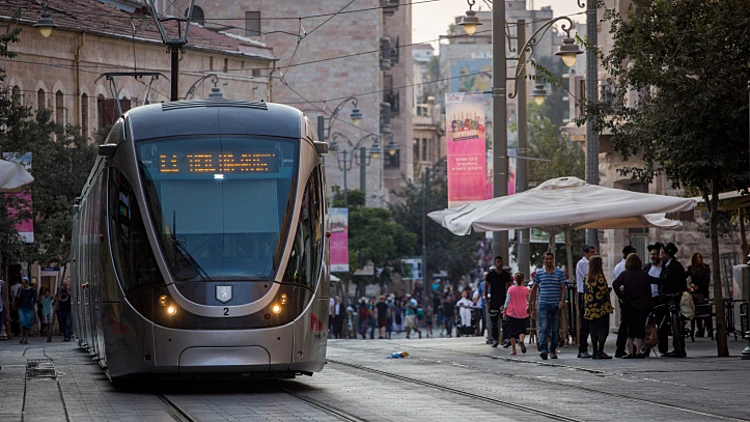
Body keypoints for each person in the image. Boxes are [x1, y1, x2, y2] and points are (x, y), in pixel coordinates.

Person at [528, 252, 567, 360]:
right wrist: (531, 305)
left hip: (556, 304)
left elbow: (563, 288)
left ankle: (553, 350)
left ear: (553, 260)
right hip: (543, 304)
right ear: (544, 260)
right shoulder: (539, 273)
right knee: (543, 327)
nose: (549, 261)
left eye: (550, 259)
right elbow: (534, 288)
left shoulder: (559, 273)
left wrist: (562, 301)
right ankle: (544, 349)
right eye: (547, 259)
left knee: (555, 329)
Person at [613, 253, 653, 359]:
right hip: (642, 305)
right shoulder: (644, 275)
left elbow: (615, 284)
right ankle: (638, 351)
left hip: (628, 305)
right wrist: (650, 307)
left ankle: (631, 351)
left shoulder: (625, 274)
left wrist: (621, 296)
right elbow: (648, 292)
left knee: (630, 329)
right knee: (640, 328)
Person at [657, 242, 687, 357]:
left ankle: (679, 348)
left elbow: (667, 280)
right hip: (670, 297)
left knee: (675, 325)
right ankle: (677, 348)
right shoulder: (668, 265)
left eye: (662, 254)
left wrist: (651, 280)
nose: (660, 256)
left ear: (667, 254)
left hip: (674, 298)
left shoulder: (673, 265)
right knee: (673, 325)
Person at [584, 256, 614, 359]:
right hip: (601, 308)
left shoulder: (587, 277)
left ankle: (594, 352)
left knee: (593, 331)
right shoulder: (600, 277)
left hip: (590, 308)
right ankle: (600, 351)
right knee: (602, 330)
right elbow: (604, 291)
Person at [640, 242, 665, 356]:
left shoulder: (664, 268)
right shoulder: (647, 267)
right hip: (648, 298)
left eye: (655, 254)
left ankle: (663, 348)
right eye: (651, 254)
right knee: (646, 324)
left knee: (661, 323)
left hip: (659, 298)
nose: (653, 256)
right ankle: (646, 347)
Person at [613, 245, 637, 357]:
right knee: (627, 323)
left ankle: (624, 346)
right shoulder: (626, 268)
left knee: (624, 323)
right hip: (628, 297)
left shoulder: (617, 266)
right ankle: (625, 347)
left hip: (623, 297)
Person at [575, 245, 597, 358]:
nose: (594, 254)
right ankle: (582, 348)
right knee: (584, 323)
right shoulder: (582, 264)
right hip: (584, 294)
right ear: (586, 253)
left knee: (592, 322)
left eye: (594, 252)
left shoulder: (593, 264)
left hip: (592, 295)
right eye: (592, 252)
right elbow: (589, 277)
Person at [485, 256, 511, 347]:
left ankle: (505, 338)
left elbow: (509, 287)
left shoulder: (505, 275)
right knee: (494, 322)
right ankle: (495, 339)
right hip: (493, 301)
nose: (499, 263)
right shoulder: (490, 275)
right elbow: (486, 287)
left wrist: (509, 300)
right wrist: (487, 302)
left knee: (504, 321)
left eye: (501, 261)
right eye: (498, 261)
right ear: (495, 263)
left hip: (503, 301)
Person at [503, 273, 530, 355]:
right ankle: (521, 340)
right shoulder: (526, 289)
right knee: (522, 330)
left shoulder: (511, 289)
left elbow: (507, 301)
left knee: (512, 332)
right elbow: (528, 301)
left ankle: (514, 350)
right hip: (523, 312)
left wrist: (504, 311)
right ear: (523, 279)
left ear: (514, 279)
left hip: (512, 313)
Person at [17, 277, 37, 344]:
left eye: (25, 282)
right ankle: (22, 337)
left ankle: (26, 338)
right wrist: (20, 290)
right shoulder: (20, 289)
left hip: (29, 308)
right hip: (21, 307)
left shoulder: (31, 290)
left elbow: (35, 298)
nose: (24, 284)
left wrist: (32, 305)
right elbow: (18, 297)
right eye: (22, 283)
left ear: (28, 283)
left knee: (28, 323)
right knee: (22, 322)